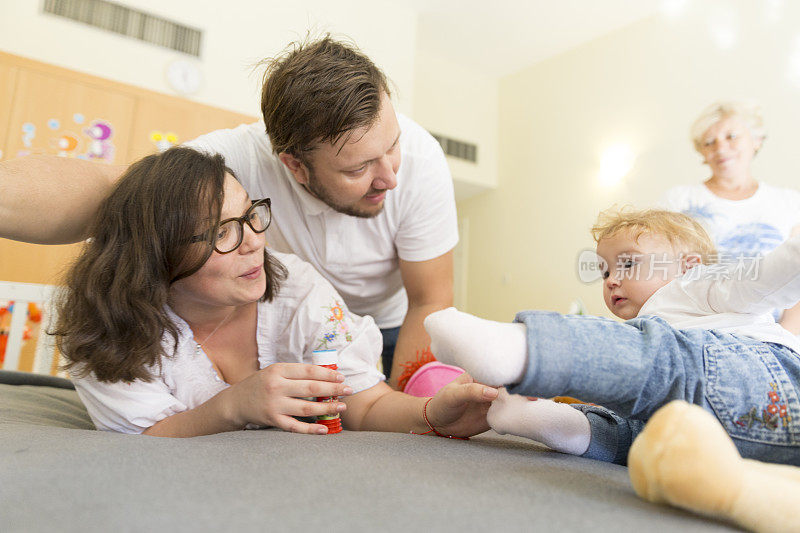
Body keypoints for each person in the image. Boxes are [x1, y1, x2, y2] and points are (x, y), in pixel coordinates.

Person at [0, 35, 457, 387]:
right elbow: (116, 194)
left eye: (392, 146)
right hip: (282, 327)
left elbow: (429, 300)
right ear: (294, 165)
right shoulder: (236, 158)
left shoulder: (420, 162)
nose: (389, 178)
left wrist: (410, 410)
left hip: (390, 322)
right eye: (358, 168)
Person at [52, 147, 496, 437]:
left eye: (250, 215)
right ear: (156, 255)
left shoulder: (299, 294)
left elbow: (364, 404)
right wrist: (234, 405)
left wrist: (433, 415)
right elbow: (141, 438)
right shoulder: (108, 328)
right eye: (222, 232)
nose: (254, 241)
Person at [424, 208, 800, 466]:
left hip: (771, 385)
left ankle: (514, 349)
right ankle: (539, 420)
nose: (612, 279)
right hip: (749, 441)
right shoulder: (648, 328)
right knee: (636, 433)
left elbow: (772, 277)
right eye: (604, 271)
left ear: (689, 265)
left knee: (659, 360)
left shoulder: (700, 285)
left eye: (629, 263)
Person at [660, 100, 800, 334]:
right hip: (694, 332)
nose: (721, 148)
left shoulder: (790, 203)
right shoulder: (677, 200)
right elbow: (660, 274)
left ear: (756, 140)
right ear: (702, 152)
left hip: (771, 337)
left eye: (731, 136)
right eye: (709, 142)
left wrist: (782, 338)